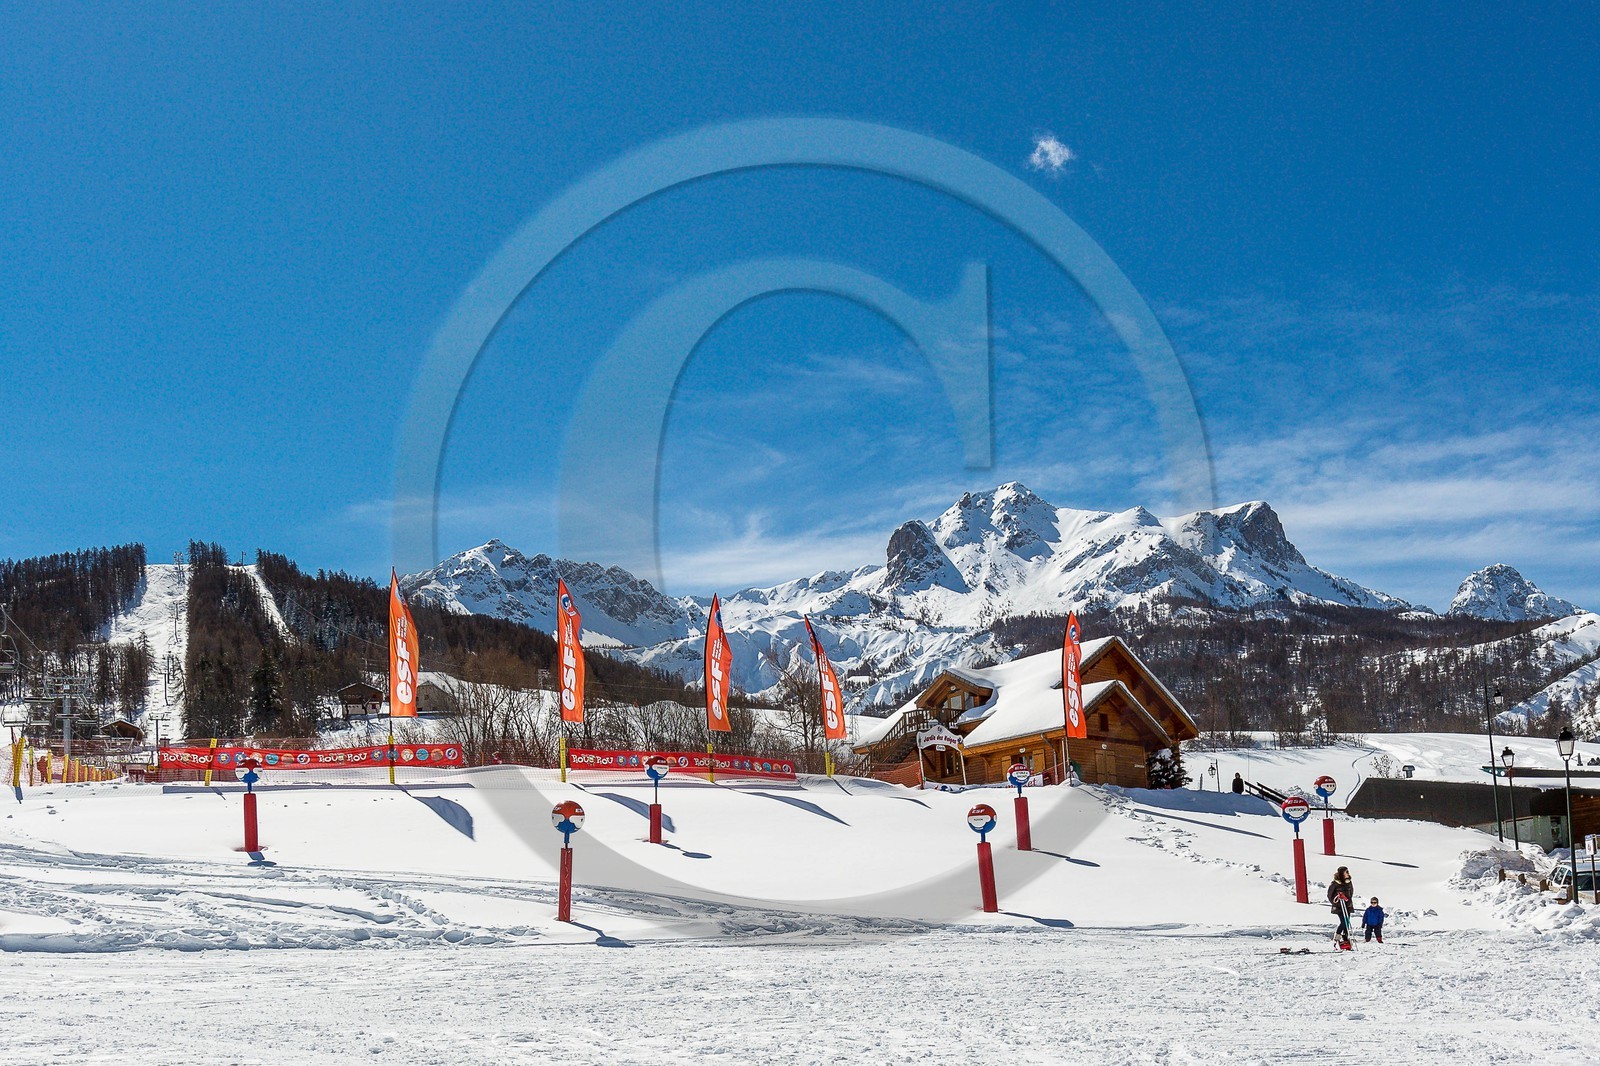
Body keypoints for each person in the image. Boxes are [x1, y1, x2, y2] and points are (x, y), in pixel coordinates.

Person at [1328, 866, 1356, 949]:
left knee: (1347, 922)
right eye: (1346, 872)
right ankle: (1337, 937)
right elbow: (1330, 895)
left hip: (1347, 905)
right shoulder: (1335, 883)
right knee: (1343, 922)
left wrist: (1348, 900)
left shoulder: (1349, 882)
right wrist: (1336, 900)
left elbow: (1351, 892)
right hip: (1339, 906)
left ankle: (1346, 938)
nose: (1348, 873)